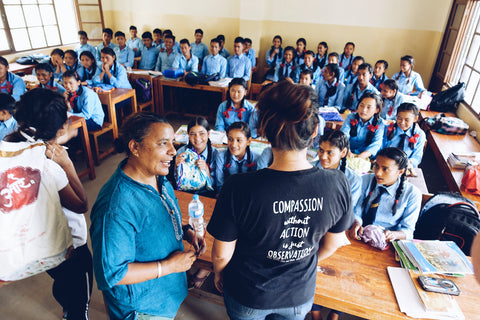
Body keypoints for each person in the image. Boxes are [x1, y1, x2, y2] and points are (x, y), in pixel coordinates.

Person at [207, 81, 353, 320]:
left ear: (263, 130)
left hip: (247, 293)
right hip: (298, 293)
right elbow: (334, 242)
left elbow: (222, 254)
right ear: (315, 130)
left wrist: (219, 274)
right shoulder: (337, 183)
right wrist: (302, 258)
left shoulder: (239, 187)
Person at [90, 112, 206, 320]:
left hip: (163, 294)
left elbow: (166, 215)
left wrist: (187, 232)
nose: (173, 151)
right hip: (143, 308)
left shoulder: (159, 180)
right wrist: (168, 266)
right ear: (135, 147)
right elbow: (113, 274)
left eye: (172, 142)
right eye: (163, 143)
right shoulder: (116, 207)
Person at [5, 88, 90, 320]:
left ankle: (66, 308)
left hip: (38, 244)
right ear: (61, 126)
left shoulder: (10, 149)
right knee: (80, 299)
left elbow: (46, 138)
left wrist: (65, 136)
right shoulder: (51, 166)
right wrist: (68, 163)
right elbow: (81, 204)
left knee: (60, 281)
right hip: (70, 246)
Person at [311, 130, 362, 320]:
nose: (323, 156)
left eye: (330, 152)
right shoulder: (310, 170)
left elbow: (346, 211)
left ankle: (334, 313)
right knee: (311, 268)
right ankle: (315, 312)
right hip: (313, 227)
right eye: (321, 150)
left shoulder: (353, 179)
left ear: (343, 153)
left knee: (339, 273)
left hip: (338, 230)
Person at [350, 147, 422, 241]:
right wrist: (356, 222)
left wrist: (393, 235)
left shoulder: (412, 194)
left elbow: (408, 230)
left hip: (386, 241)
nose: (378, 173)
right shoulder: (364, 181)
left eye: (385, 169)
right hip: (359, 234)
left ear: (400, 172)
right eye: (376, 166)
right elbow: (356, 209)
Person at [175, 116, 218, 194]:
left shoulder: (216, 154)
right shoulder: (181, 152)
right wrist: (176, 167)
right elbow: (177, 182)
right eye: (192, 134)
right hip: (186, 193)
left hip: (207, 194)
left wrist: (206, 169)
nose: (197, 138)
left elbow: (215, 185)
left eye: (202, 133)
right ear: (188, 135)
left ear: (208, 134)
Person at [214, 121, 259, 191]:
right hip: (227, 193)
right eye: (230, 139)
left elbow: (257, 185)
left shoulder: (256, 159)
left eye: (239, 140)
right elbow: (220, 184)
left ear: (248, 141)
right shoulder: (221, 157)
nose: (233, 145)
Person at [341, 92, 385, 159]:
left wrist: (364, 155)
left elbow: (376, 143)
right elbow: (344, 135)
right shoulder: (351, 117)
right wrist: (347, 151)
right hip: (347, 152)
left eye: (369, 107)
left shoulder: (380, 123)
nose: (364, 110)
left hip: (366, 157)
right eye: (361, 105)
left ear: (376, 110)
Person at [383, 103, 426, 168]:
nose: (402, 123)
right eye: (399, 118)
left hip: (407, 166)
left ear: (415, 119)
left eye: (407, 120)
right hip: (386, 163)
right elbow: (381, 148)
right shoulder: (387, 129)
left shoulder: (420, 134)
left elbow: (417, 157)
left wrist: (407, 163)